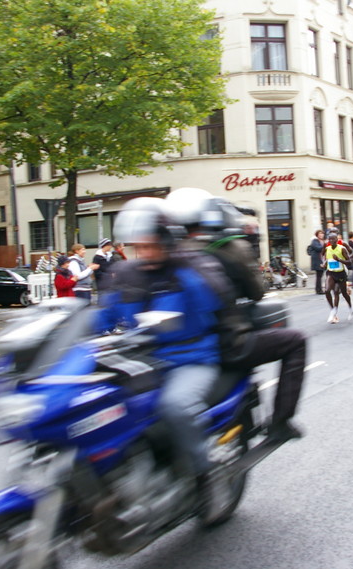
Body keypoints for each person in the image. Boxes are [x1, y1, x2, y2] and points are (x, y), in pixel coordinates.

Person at [95, 197, 233, 524]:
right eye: (138, 246)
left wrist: (187, 270)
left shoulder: (190, 269)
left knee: (175, 405)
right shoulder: (126, 273)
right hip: (143, 360)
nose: (144, 252)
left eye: (151, 245)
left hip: (192, 357)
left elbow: (214, 300)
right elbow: (101, 317)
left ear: (168, 241)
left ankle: (205, 477)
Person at [162, 188, 307, 444]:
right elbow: (258, 292)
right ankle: (280, 423)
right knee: (296, 341)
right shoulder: (231, 246)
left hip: (170, 346)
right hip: (224, 343)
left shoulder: (165, 252)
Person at [323, 230, 353, 323]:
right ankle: (333, 310)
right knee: (327, 290)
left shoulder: (342, 248)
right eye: (330, 239)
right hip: (331, 272)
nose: (331, 241)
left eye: (333, 239)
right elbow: (326, 258)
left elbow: (349, 262)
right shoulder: (327, 248)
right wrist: (324, 263)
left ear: (337, 239)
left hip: (340, 273)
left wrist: (339, 260)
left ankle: (351, 307)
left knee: (343, 293)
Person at [307, 229, 326, 295]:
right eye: (320, 234)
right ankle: (319, 290)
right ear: (317, 235)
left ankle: (319, 289)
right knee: (319, 275)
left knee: (320, 275)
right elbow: (319, 248)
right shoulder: (314, 241)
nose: (321, 235)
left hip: (322, 260)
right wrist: (325, 246)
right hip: (317, 260)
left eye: (322, 233)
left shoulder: (322, 241)